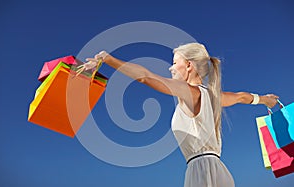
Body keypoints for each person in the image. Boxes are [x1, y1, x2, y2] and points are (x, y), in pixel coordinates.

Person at [79, 42, 279, 187]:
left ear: (189, 66)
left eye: (175, 62)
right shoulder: (213, 96)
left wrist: (108, 59)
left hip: (201, 173)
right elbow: (241, 97)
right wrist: (264, 99)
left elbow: (146, 77)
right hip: (218, 171)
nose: (170, 67)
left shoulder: (189, 92)